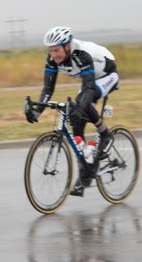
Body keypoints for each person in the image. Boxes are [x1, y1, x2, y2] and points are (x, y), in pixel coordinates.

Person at [25, 26, 119, 195]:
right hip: (88, 80)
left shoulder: (82, 55)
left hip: (106, 75)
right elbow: (48, 87)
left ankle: (105, 134)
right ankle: (87, 171)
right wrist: (37, 111)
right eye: (50, 51)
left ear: (67, 46)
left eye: (56, 50)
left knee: (82, 103)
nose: (53, 55)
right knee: (77, 122)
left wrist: (81, 107)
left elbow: (89, 89)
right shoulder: (53, 58)